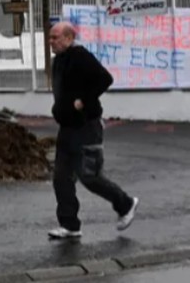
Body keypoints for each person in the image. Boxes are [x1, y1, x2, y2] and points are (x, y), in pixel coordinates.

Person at [46, 21, 138, 239]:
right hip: (67, 128)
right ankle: (70, 225)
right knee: (61, 177)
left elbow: (105, 79)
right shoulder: (58, 60)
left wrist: (83, 101)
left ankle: (125, 204)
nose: (51, 42)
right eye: (50, 38)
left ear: (69, 38)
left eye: (55, 37)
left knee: (89, 176)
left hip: (87, 127)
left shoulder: (80, 56)